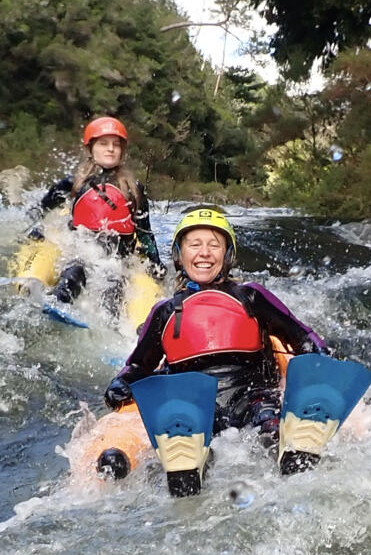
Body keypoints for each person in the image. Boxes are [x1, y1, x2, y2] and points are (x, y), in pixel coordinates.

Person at [103, 205, 329, 495]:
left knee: (269, 425)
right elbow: (139, 367)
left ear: (228, 255)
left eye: (214, 245)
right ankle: (187, 467)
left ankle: (289, 452)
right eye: (194, 245)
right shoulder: (164, 312)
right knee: (189, 432)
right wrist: (121, 383)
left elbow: (301, 335)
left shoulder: (251, 296)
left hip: (254, 395)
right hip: (197, 403)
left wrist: (320, 357)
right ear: (179, 255)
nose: (205, 253)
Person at [29, 116, 161, 304]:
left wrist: (156, 263)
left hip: (116, 262)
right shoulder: (73, 183)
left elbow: (144, 232)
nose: (110, 149)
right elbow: (40, 210)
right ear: (90, 148)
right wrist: (35, 228)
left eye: (116, 145)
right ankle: (56, 304)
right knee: (72, 275)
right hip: (81, 252)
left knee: (112, 289)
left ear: (122, 150)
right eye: (103, 144)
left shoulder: (134, 189)